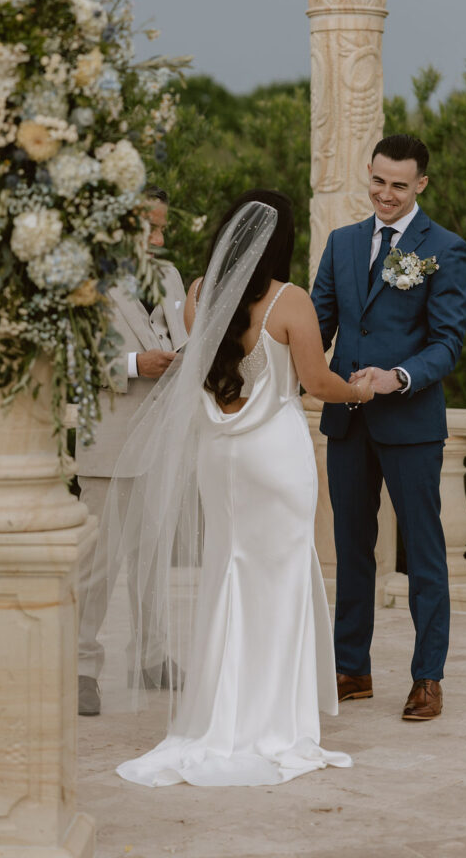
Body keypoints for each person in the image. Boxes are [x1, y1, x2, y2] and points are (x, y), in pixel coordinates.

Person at [89, 189, 375, 787]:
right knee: (283, 576)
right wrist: (362, 390)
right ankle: (273, 716)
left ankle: (220, 712)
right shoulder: (291, 301)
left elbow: (211, 374)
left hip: (219, 455)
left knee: (228, 572)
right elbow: (318, 382)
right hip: (274, 453)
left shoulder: (198, 295)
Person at [311, 133, 466, 722]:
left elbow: (448, 343)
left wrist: (399, 376)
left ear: (421, 185)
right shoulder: (342, 242)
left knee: (423, 552)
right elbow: (316, 324)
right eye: (378, 180)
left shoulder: (446, 249)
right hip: (347, 423)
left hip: (411, 424)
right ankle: (351, 669)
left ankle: (427, 677)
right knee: (351, 549)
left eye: (399, 185)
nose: (385, 194)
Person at [76, 186, 187, 717]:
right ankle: (79, 666)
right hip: (110, 437)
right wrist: (131, 366)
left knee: (153, 556)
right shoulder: (84, 278)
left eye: (163, 228)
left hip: (165, 436)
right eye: (151, 228)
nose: (160, 239)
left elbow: (185, 338)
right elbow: (71, 362)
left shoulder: (166, 276)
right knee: (97, 563)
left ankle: (152, 656)